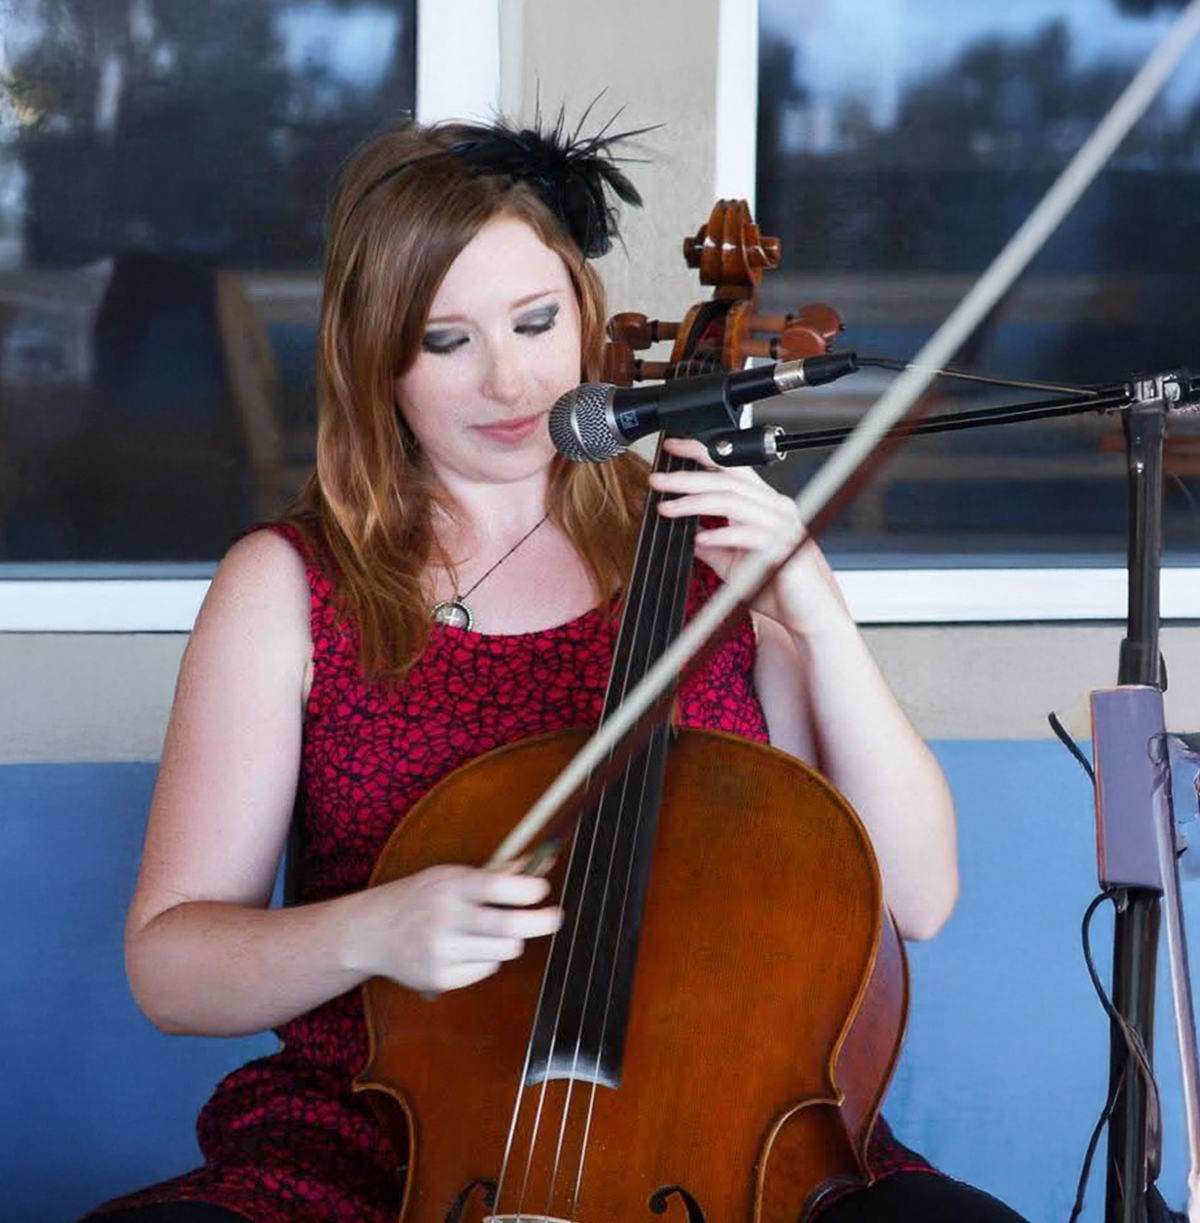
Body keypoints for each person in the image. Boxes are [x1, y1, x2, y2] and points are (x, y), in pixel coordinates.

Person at [83, 115, 1025, 1223]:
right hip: (379, 1135)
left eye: (536, 321)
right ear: (373, 356)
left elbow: (918, 896)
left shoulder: (708, 545)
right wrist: (373, 927)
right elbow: (172, 963)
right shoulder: (292, 585)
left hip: (729, 1118)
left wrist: (811, 610)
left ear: (587, 316)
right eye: (447, 342)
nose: (511, 379)